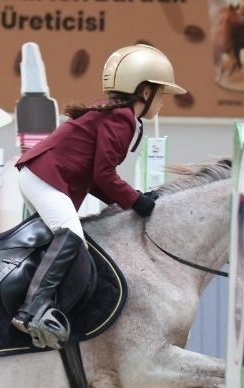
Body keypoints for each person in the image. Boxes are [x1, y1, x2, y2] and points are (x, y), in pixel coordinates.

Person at [11, 44, 187, 350]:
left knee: (62, 240)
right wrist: (135, 200)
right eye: (161, 94)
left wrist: (124, 203)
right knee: (71, 237)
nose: (162, 102)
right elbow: (105, 175)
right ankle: (31, 311)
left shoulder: (115, 115)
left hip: (39, 175)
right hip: (44, 177)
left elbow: (96, 178)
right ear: (145, 92)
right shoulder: (122, 119)